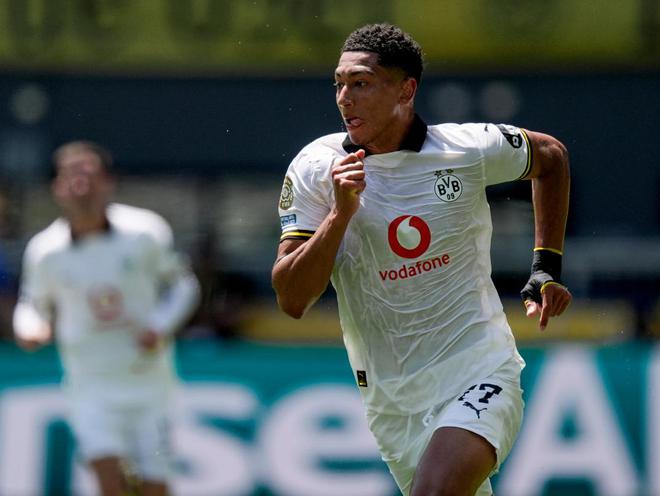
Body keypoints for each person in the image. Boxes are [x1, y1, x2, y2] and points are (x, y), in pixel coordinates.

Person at [272, 23, 571, 496]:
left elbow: (551, 157)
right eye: (339, 84)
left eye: (361, 83)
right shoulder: (316, 168)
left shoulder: (465, 150)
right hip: (393, 403)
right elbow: (292, 298)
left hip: (479, 369)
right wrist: (340, 213)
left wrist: (545, 267)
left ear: (406, 90)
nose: (345, 98)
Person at [13, 141, 200, 496]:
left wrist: (159, 326)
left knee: (154, 486)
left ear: (107, 182)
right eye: (71, 176)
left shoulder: (144, 231)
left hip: (148, 382)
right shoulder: (45, 250)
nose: (80, 185)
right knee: (109, 481)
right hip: (90, 384)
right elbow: (32, 303)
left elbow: (183, 286)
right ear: (56, 187)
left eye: (89, 175)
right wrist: (31, 328)